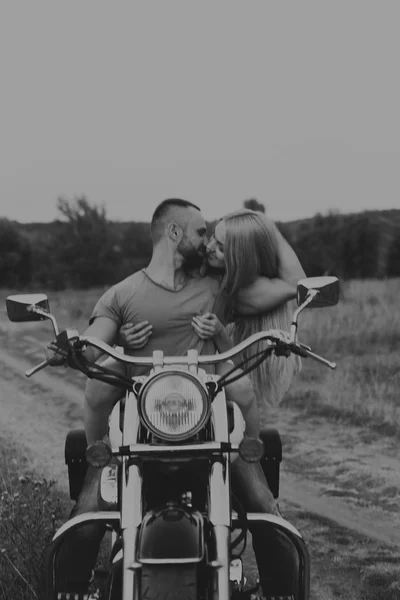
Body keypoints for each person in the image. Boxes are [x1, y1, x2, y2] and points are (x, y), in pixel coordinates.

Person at [56, 199, 303, 599]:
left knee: (264, 508)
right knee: (87, 514)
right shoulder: (122, 295)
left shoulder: (220, 290)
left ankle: (283, 593)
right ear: (174, 234)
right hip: (140, 431)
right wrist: (72, 347)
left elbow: (294, 284)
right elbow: (90, 348)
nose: (207, 242)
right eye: (202, 231)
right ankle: (69, 592)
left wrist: (262, 223)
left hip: (208, 425)